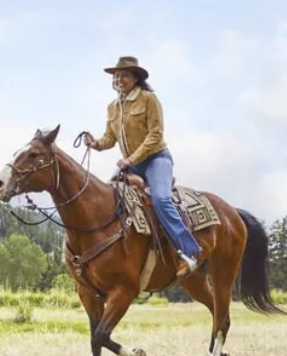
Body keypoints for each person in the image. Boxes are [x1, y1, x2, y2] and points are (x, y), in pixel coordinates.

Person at [81, 55, 205, 279]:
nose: (119, 79)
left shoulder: (149, 99)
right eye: (117, 76)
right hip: (132, 164)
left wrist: (130, 160)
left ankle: (190, 251)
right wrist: (96, 144)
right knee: (107, 197)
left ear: (135, 78)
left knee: (160, 199)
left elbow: (156, 135)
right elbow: (110, 138)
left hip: (157, 159)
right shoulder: (113, 107)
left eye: (124, 75)